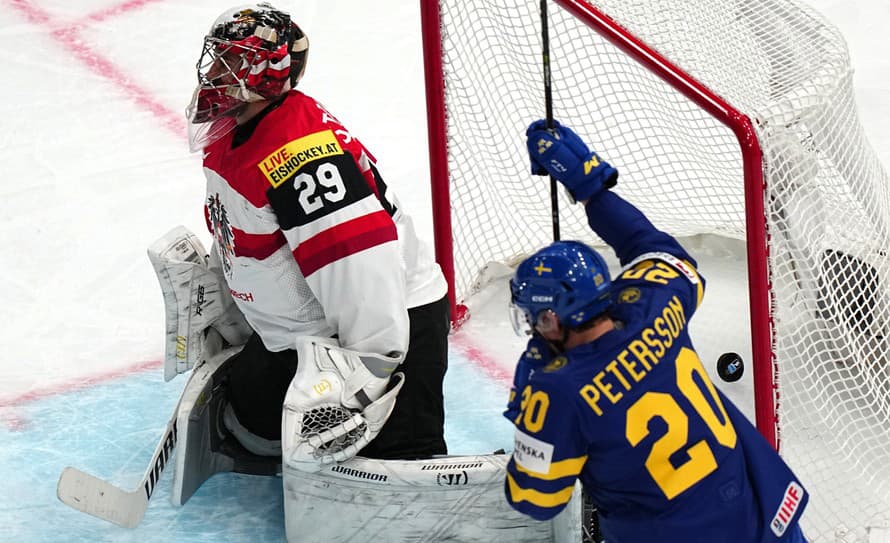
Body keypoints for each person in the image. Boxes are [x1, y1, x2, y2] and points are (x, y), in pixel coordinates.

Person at [503, 119, 810, 542]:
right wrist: (592, 190)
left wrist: (528, 396)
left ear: (552, 319)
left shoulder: (560, 389)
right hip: (759, 513)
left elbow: (535, 498)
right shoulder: (655, 304)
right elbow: (658, 249)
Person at [183, 3, 449, 463]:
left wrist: (370, 373)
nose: (215, 72)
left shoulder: (300, 155)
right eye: (217, 57)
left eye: (231, 60)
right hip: (311, 333)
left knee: (393, 473)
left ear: (266, 74)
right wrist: (233, 309)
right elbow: (243, 232)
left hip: (391, 332)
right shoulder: (241, 129)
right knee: (250, 428)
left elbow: (359, 263)